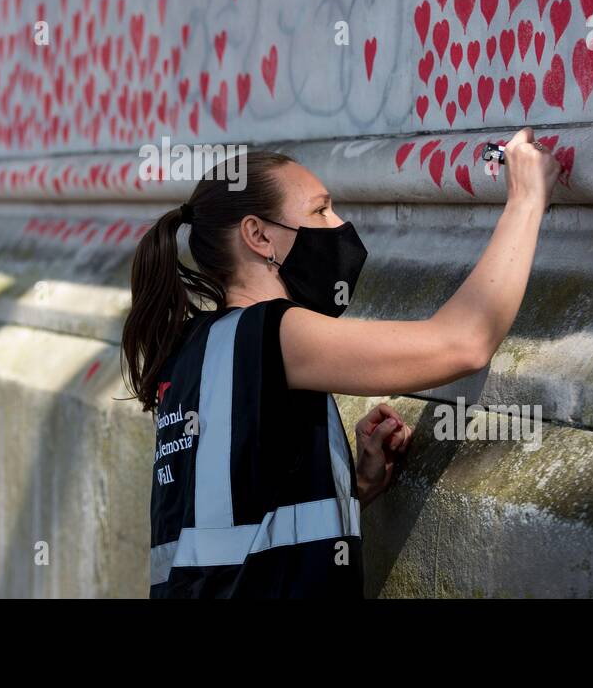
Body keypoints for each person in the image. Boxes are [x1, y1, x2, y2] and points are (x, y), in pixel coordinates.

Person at [124, 127, 562, 598]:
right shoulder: (274, 332)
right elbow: (464, 342)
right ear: (258, 235)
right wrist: (526, 199)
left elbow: (233, 520)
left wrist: (350, 487)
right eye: (320, 210)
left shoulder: (193, 349)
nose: (339, 227)